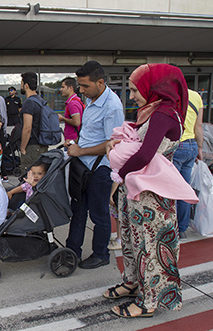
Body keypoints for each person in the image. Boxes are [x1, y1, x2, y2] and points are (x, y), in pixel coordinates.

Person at [104, 63, 194, 318]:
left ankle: (150, 302)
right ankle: (132, 281)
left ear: (153, 87)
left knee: (152, 248)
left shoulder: (164, 114)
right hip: (137, 194)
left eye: (135, 90)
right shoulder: (151, 111)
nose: (131, 96)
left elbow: (144, 154)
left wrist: (118, 174)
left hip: (152, 199)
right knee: (133, 242)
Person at [65, 61, 124, 269]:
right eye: (79, 86)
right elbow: (90, 134)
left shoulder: (112, 106)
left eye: (85, 86)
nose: (81, 90)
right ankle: (72, 251)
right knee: (78, 210)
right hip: (83, 167)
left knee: (99, 214)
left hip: (100, 169)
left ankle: (101, 254)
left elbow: (112, 145)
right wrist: (76, 145)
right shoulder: (91, 99)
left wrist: (81, 150)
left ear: (100, 82)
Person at [172, 89, 204, 239]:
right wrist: (200, 148)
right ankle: (182, 228)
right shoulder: (196, 96)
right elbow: (198, 126)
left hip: (177, 145)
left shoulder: (171, 94)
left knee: (171, 190)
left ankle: (171, 227)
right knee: (184, 189)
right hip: (191, 146)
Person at [19, 72, 48, 172]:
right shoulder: (40, 100)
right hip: (42, 144)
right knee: (39, 177)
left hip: (32, 146)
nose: (20, 86)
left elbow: (27, 128)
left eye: (21, 83)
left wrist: (22, 148)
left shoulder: (29, 102)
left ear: (26, 85)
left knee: (29, 178)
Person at [58, 77, 84, 142]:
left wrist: (62, 118)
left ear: (70, 88)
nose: (61, 89)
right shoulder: (77, 101)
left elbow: (76, 122)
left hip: (72, 140)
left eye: (63, 87)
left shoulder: (72, 103)